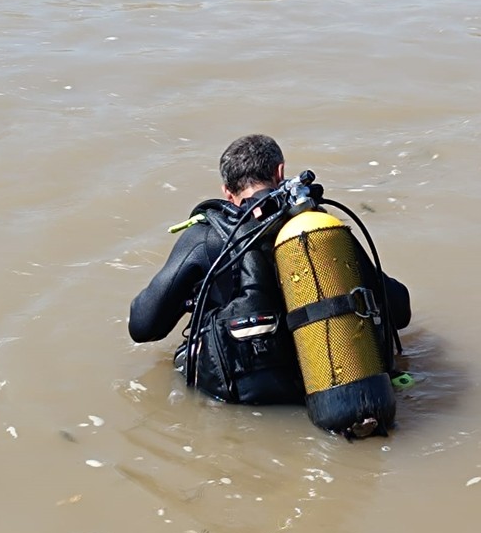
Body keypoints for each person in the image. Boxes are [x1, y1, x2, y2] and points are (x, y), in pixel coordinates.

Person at [128, 134, 411, 405]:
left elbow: (143, 326)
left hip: (244, 400)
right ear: (280, 172)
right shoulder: (318, 229)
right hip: (331, 386)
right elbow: (399, 311)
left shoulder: (205, 238)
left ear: (227, 192)